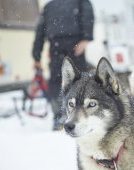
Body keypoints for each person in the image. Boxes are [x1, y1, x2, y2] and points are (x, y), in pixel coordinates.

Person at [32, 0, 94, 130]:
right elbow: (40, 30)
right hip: (64, 45)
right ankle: (64, 115)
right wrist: (85, 38)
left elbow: (40, 31)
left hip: (66, 45)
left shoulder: (54, 5)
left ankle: (68, 115)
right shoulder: (51, 6)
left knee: (65, 80)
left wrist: (36, 56)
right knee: (71, 80)